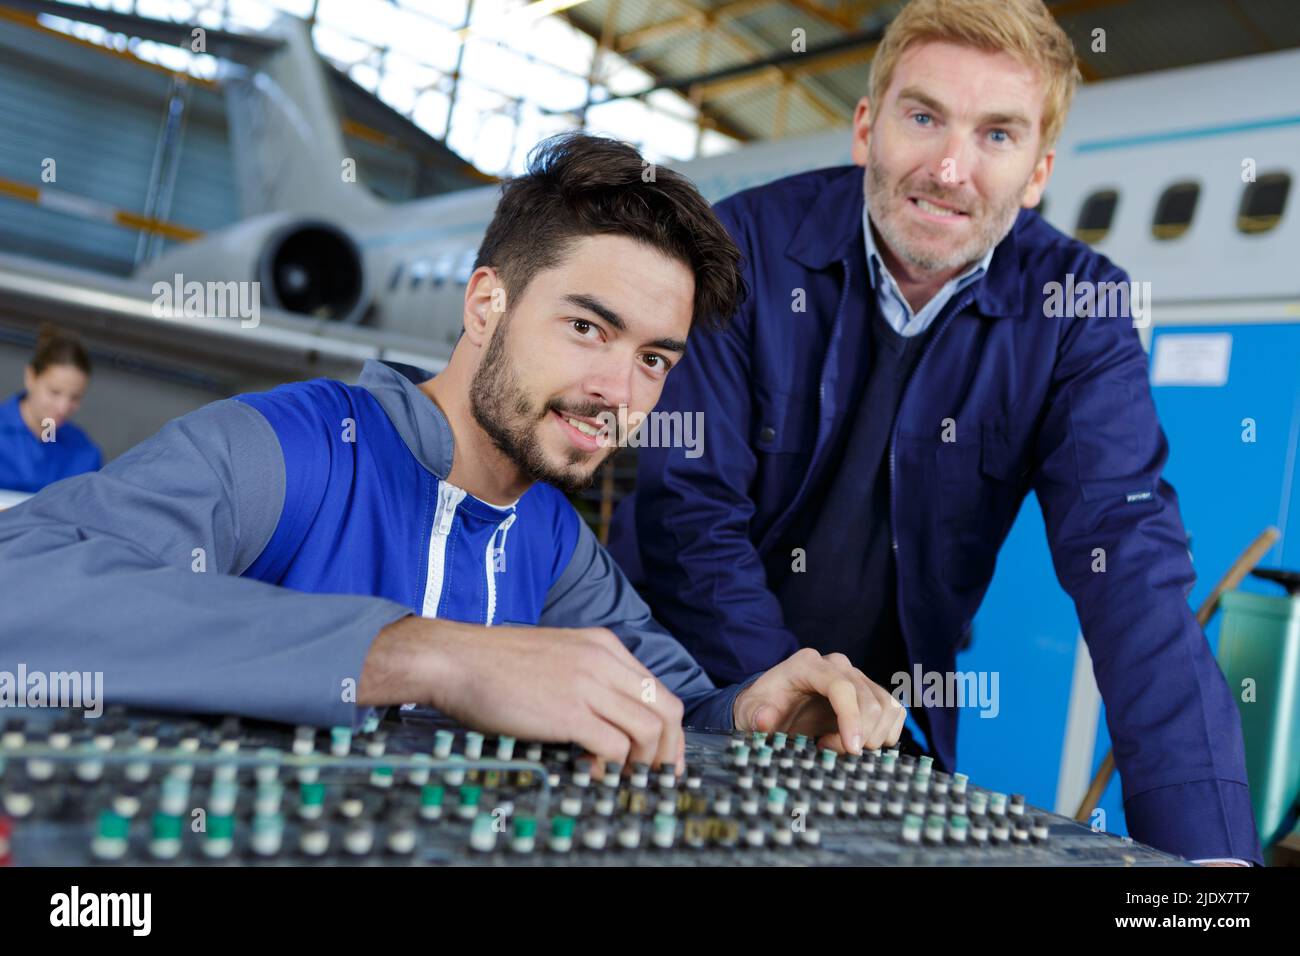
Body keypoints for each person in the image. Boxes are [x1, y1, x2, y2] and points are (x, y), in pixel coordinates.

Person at [0, 133, 906, 773]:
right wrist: (428, 657)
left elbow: (673, 703)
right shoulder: (286, 451)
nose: (620, 393)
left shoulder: (555, 550)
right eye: (588, 326)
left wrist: (752, 712)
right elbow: (20, 591)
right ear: (484, 306)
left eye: (654, 359)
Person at [608, 0, 1260, 863]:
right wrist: (783, 694)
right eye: (924, 118)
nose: (952, 169)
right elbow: (690, 514)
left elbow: (1128, 558)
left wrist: (1209, 861)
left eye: (998, 135)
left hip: (878, 724)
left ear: (1037, 172)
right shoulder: (742, 249)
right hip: (680, 681)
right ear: (867, 128)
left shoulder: (1077, 309)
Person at [0, 323, 101, 492]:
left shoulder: (84, 452)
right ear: (30, 377)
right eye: (54, 392)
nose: (63, 408)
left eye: (75, 397)